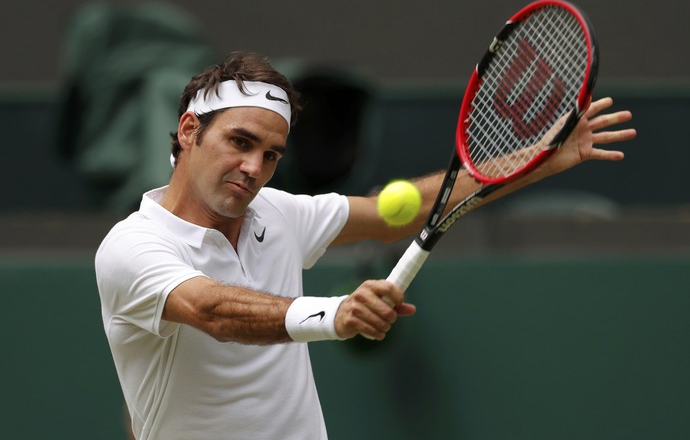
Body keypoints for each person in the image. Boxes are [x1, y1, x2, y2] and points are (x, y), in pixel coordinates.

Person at [95, 51, 636, 440]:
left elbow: (397, 212)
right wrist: (337, 314)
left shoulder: (280, 212)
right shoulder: (132, 246)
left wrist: (540, 156)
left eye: (271, 154)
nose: (254, 168)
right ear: (190, 130)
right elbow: (213, 310)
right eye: (240, 142)